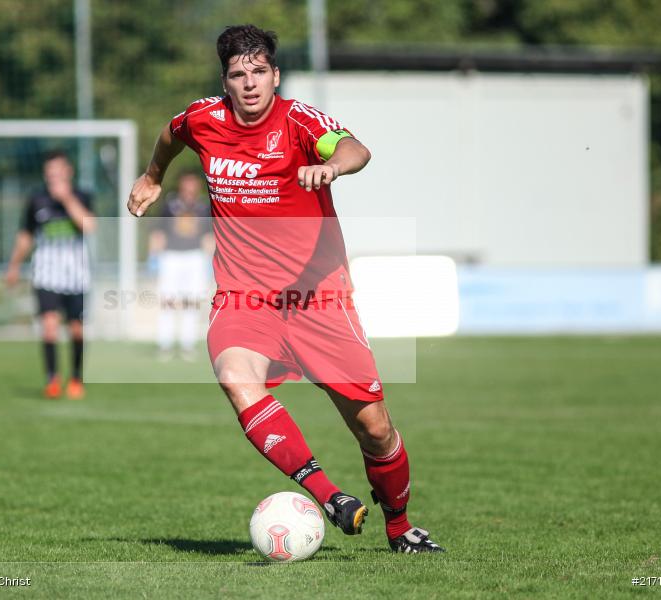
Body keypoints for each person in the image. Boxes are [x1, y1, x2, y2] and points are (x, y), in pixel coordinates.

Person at [127, 25, 443, 553]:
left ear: (275, 75)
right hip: (244, 296)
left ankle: (400, 526)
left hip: (319, 298)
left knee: (374, 428)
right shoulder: (203, 118)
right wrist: (154, 175)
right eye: (238, 74)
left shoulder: (300, 122)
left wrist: (331, 167)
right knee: (236, 377)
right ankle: (329, 496)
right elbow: (170, 134)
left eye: (258, 72)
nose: (249, 83)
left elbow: (356, 149)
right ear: (225, 82)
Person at [6, 150, 95, 400]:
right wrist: (14, 265)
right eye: (50, 173)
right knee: (49, 327)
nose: (53, 177)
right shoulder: (36, 200)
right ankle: (52, 379)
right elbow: (25, 236)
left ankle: (76, 377)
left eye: (58, 171)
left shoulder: (82, 196)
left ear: (68, 172)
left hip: (76, 276)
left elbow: (89, 225)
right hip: (46, 274)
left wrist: (66, 199)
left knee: (76, 329)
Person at [148, 171, 213, 361]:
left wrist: (210, 261)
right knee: (168, 301)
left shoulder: (203, 207)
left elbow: (209, 236)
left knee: (192, 302)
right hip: (171, 257)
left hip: (195, 257)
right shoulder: (170, 205)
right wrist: (153, 257)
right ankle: (165, 344)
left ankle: (187, 344)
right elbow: (158, 233)